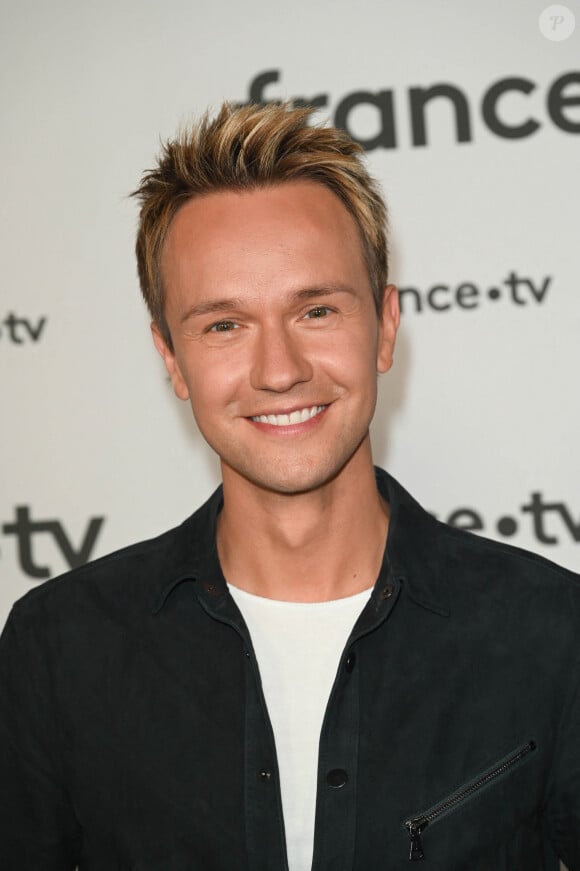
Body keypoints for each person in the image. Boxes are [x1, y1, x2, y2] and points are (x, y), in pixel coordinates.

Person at [0, 102, 578, 871]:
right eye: (224, 325)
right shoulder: (58, 648)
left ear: (385, 325)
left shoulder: (552, 635)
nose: (280, 370)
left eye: (316, 309)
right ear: (170, 357)